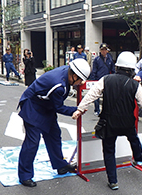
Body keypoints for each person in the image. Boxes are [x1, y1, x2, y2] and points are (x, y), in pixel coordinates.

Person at [72, 52, 142, 190]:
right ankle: (138, 157)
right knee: (133, 139)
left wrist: (79, 109)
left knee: (109, 151)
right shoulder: (135, 84)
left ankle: (113, 181)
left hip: (109, 122)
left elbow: (91, 95)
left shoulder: (105, 79)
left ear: (117, 66)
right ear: (132, 69)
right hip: (127, 123)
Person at [17, 58, 91, 187]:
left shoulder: (67, 72)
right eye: (80, 80)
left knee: (54, 135)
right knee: (32, 142)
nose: (80, 83)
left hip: (46, 105)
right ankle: (25, 175)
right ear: (73, 75)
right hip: (32, 106)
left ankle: (60, 165)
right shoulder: (58, 86)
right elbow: (59, 107)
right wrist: (77, 110)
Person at [88, 43, 115, 116]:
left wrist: (113, 77)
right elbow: (94, 71)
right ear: (100, 50)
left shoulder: (110, 58)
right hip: (98, 79)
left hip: (107, 80)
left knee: (107, 96)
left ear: (107, 51)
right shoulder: (97, 59)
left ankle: (105, 110)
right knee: (96, 96)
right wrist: (93, 80)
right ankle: (97, 109)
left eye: (105, 50)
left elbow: (113, 69)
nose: (104, 51)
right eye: (102, 50)